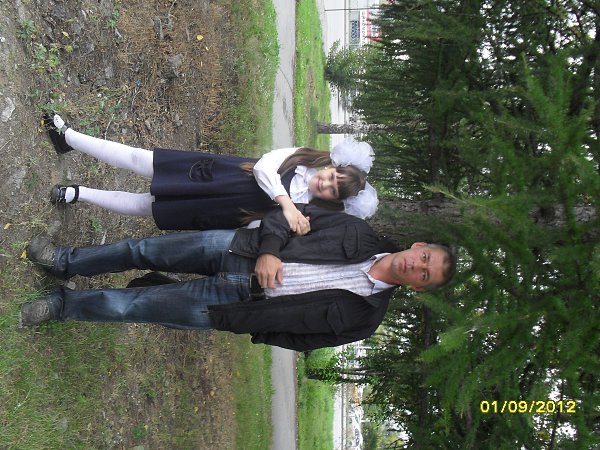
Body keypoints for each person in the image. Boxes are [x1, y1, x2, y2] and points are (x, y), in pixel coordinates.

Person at [21, 203, 456, 351]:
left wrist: (257, 326)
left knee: (132, 307)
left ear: (419, 287)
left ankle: (61, 306)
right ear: (418, 245)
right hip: (237, 249)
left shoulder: (365, 320)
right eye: (424, 257)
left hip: (235, 305)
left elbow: (303, 341)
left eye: (425, 274)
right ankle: (64, 260)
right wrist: (269, 251)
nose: (416, 265)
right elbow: (288, 216)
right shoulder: (355, 230)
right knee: (143, 250)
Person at [44, 114, 378, 233]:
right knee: (140, 159)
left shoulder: (307, 214)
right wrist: (286, 203)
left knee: (146, 206)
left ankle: (79, 193)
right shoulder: (302, 160)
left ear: (334, 201)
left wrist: (286, 213)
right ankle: (69, 138)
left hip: (221, 210)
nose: (325, 183)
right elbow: (264, 166)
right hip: (213, 174)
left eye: (332, 190)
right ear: (332, 166)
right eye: (332, 176)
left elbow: (263, 227)